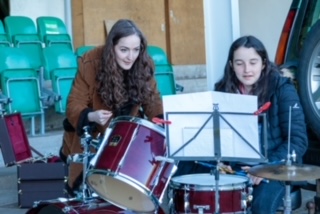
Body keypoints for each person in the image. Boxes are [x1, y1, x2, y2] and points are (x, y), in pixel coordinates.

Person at [59, 19, 164, 196]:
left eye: (136, 50)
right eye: (124, 50)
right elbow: (73, 105)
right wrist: (92, 116)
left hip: (126, 136)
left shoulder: (144, 64)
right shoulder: (90, 62)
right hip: (92, 137)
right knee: (87, 194)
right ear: (111, 47)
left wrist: (161, 121)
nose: (131, 56)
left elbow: (152, 100)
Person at [214, 35, 308, 214]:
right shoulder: (221, 91)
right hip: (235, 166)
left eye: (253, 62)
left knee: (259, 205)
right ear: (231, 65)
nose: (247, 69)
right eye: (239, 63)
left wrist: (266, 168)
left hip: (276, 167)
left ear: (264, 63)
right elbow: (215, 135)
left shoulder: (282, 89)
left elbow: (298, 141)